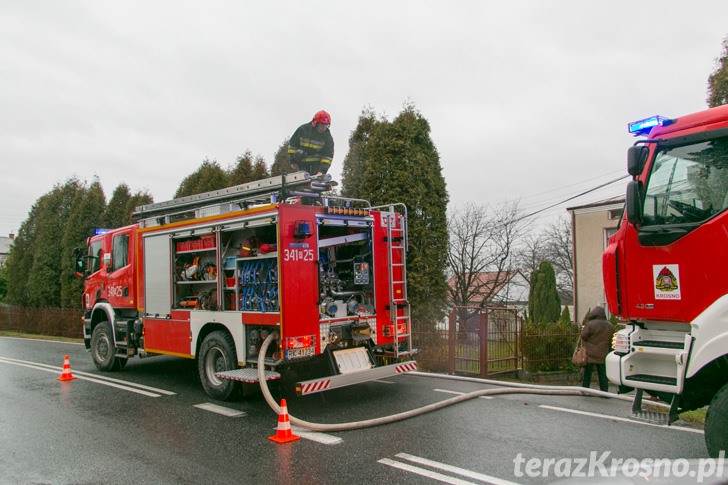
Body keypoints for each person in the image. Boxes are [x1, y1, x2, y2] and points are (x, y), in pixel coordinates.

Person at [288, 110, 334, 176]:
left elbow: (328, 156)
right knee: (303, 181)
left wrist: (321, 171)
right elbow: (292, 146)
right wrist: (293, 161)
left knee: (316, 182)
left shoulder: (328, 138)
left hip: (316, 164)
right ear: (315, 123)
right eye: (321, 125)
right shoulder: (303, 130)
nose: (323, 128)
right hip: (302, 161)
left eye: (326, 125)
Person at [581, 306, 614, 392]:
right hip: (603, 353)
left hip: (590, 353)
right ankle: (604, 391)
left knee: (587, 374)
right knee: (602, 374)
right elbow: (612, 339)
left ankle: (585, 389)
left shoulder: (590, 324)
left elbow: (583, 336)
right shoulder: (610, 325)